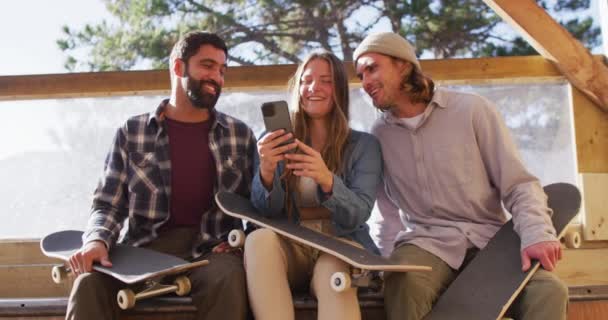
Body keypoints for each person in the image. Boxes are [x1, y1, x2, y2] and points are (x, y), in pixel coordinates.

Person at [353, 32, 568, 320]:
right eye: (360, 74)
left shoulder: (471, 110)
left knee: (548, 291)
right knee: (404, 281)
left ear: (403, 64)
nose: (365, 82)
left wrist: (537, 233)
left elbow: (518, 184)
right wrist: (383, 265)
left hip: (488, 241)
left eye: (372, 68)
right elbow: (387, 213)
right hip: (425, 244)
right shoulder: (379, 135)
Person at [65, 31, 256, 320]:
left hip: (210, 253)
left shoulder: (239, 135)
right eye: (207, 66)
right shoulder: (133, 132)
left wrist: (241, 245)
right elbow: (108, 204)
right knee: (87, 285)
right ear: (178, 67)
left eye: (222, 69)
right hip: (142, 251)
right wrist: (97, 241)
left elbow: (258, 207)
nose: (216, 77)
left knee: (230, 279)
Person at [244, 50, 383, 320]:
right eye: (306, 80)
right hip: (292, 245)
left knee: (335, 275)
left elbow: (358, 213)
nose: (313, 88)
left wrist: (327, 179)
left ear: (339, 89)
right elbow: (266, 213)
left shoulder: (365, 146)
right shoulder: (274, 140)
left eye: (326, 80)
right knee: (259, 239)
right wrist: (267, 171)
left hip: (340, 245)